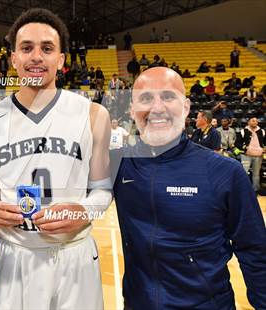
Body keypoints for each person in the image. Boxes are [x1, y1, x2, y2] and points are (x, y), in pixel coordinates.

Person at [0, 8, 112, 310]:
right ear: (13, 58)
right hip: (15, 256)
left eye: (47, 48)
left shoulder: (93, 114)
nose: (36, 57)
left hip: (75, 254)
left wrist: (83, 210)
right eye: (26, 48)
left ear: (61, 60)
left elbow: (103, 190)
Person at [111, 66, 266, 309]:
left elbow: (255, 250)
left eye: (168, 96)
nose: (157, 107)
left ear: (186, 107)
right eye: (145, 98)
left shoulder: (225, 172)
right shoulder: (118, 165)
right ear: (132, 110)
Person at [235, 117, 265, 192]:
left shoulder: (262, 131)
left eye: (256, 121)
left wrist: (264, 148)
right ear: (248, 122)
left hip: (258, 155)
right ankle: (243, 190)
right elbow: (237, 143)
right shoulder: (243, 131)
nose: (255, 122)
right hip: (246, 155)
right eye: (253, 121)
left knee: (256, 174)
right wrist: (245, 148)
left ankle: (255, 190)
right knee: (244, 173)